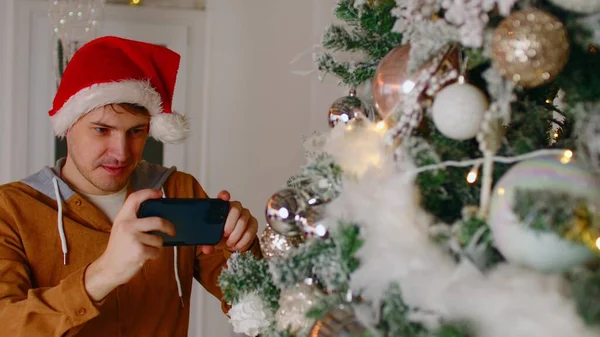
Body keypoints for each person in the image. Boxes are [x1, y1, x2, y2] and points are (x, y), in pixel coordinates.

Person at [0, 36, 262, 336]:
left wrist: (241, 248)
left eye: (136, 131)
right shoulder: (11, 209)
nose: (122, 152)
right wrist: (102, 275)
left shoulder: (178, 191)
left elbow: (262, 310)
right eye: (102, 130)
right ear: (68, 125)